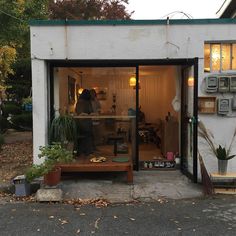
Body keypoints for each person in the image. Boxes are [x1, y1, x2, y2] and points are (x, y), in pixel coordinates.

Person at [75, 89, 94, 156]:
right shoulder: (84, 102)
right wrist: (89, 114)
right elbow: (81, 113)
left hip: (82, 123)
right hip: (84, 123)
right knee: (87, 137)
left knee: (85, 138)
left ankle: (83, 151)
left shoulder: (80, 102)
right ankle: (88, 152)